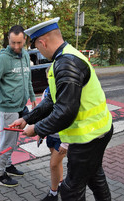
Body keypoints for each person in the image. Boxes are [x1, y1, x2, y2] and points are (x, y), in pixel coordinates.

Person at [10, 17, 113, 201]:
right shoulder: (64, 57)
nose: (39, 52)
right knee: (95, 177)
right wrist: (27, 119)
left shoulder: (66, 63)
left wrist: (36, 129)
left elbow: (66, 112)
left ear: (43, 42)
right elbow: (51, 101)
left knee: (70, 191)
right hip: (96, 132)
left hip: (88, 137)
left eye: (37, 47)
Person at [0, 25, 37, 187]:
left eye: (19, 43)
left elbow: (28, 78)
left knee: (13, 141)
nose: (16, 46)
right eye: (13, 43)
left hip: (21, 106)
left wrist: (32, 96)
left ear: (25, 41)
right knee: (7, 142)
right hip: (8, 108)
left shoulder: (26, 56)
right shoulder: (3, 59)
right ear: (8, 40)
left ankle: (7, 165)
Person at [40, 67, 69, 201]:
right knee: (56, 164)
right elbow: (42, 112)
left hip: (62, 137)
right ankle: (61, 184)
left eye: (52, 78)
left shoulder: (66, 93)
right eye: (48, 78)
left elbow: (72, 118)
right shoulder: (47, 91)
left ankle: (53, 193)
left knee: (53, 164)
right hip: (51, 134)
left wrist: (66, 142)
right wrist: (41, 132)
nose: (50, 81)